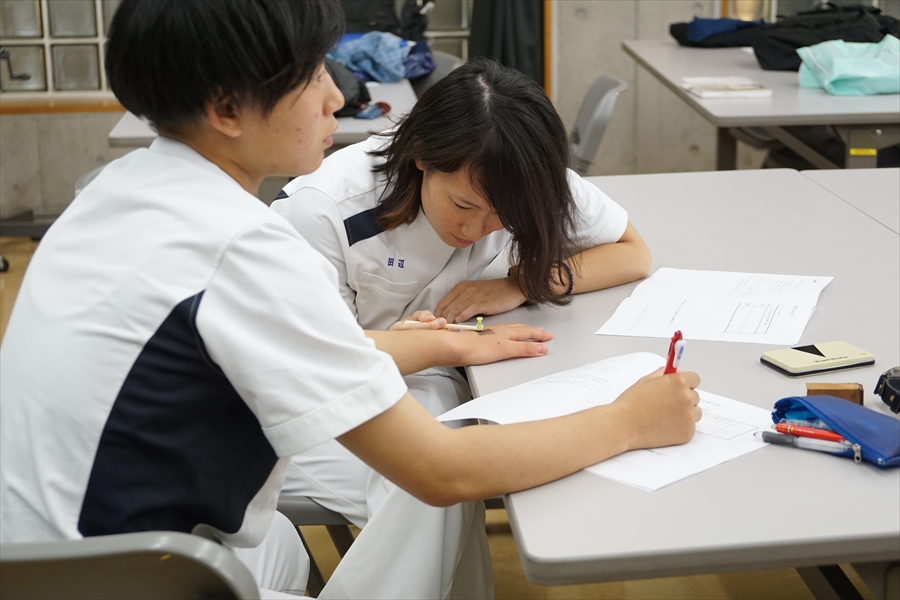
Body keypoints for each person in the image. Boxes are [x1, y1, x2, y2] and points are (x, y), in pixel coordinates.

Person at [0, 1, 702, 598]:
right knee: (430, 483)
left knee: (285, 544)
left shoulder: (121, 189)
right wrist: (628, 421)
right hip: (116, 575)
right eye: (311, 76)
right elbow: (442, 470)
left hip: (59, 553)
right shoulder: (248, 246)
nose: (336, 97)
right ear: (226, 109)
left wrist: (453, 331)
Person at [270, 58, 653, 530]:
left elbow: (632, 254)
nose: (475, 230)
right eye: (462, 205)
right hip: (310, 398)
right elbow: (316, 361)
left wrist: (520, 284)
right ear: (421, 154)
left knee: (450, 481)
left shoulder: (521, 175)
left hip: (428, 377)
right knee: (431, 493)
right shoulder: (323, 212)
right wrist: (448, 345)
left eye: (501, 217)